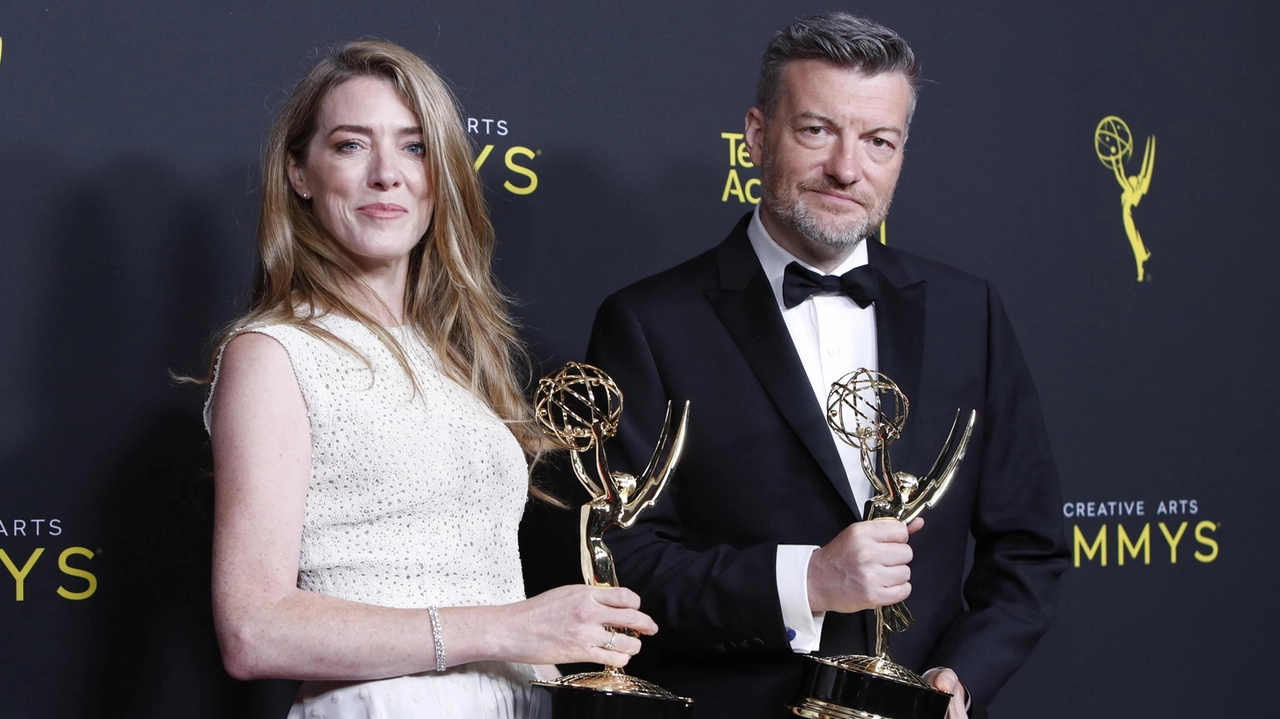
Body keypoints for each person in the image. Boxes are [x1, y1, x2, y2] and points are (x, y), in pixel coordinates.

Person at [582, 13, 1069, 719]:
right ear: (756, 135)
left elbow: (1030, 547)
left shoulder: (972, 311)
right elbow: (624, 560)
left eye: (878, 141)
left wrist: (961, 678)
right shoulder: (650, 321)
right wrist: (806, 579)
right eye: (817, 131)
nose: (848, 168)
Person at [197, 40, 656, 719]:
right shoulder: (274, 353)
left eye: (414, 148)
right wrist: (511, 625)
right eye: (352, 145)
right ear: (300, 172)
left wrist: (544, 651)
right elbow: (253, 629)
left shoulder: (453, 358)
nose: (388, 174)